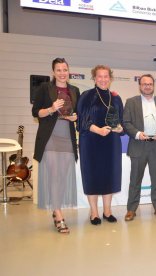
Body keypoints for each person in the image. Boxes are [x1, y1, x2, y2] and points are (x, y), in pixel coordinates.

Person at [32, 57, 79, 234]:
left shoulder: (74, 90)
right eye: (58, 70)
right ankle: (58, 214)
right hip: (50, 137)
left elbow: (76, 114)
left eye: (65, 69)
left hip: (67, 137)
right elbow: (36, 112)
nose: (62, 73)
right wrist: (51, 108)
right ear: (53, 72)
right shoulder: (45, 88)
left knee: (62, 175)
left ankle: (56, 208)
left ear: (68, 71)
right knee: (54, 175)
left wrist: (75, 117)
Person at [77, 65, 124, 225]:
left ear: (110, 78)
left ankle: (107, 211)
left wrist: (119, 128)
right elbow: (81, 120)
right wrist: (97, 130)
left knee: (109, 174)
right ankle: (94, 212)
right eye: (100, 76)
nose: (103, 79)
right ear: (94, 78)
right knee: (92, 175)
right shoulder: (86, 96)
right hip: (91, 142)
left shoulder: (116, 98)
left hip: (111, 143)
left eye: (106, 76)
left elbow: (121, 122)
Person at [123, 74, 156, 221]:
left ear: (153, 85)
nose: (147, 86)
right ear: (139, 86)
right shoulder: (131, 102)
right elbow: (126, 122)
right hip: (138, 146)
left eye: (150, 84)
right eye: (144, 84)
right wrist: (137, 133)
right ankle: (131, 209)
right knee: (135, 180)